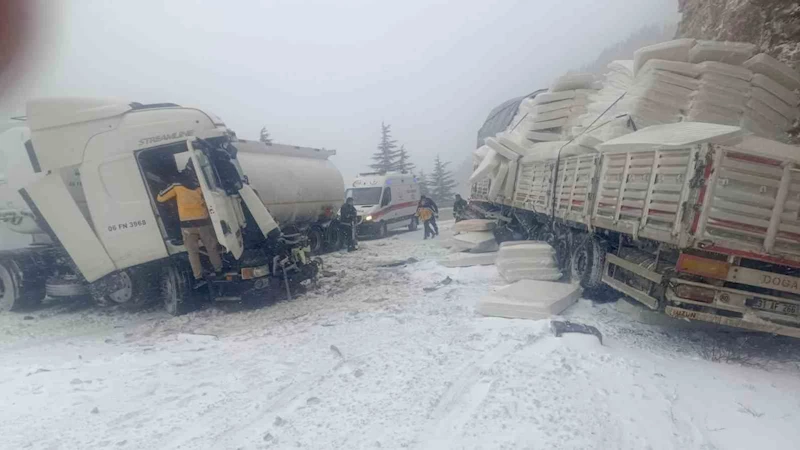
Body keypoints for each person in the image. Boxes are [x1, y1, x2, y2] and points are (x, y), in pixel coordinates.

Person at [157, 166, 223, 286]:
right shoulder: (200, 184)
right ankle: (219, 270)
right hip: (203, 222)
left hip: (187, 225)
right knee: (211, 247)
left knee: (192, 252)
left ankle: (198, 277)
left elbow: (160, 198)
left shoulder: (177, 186)